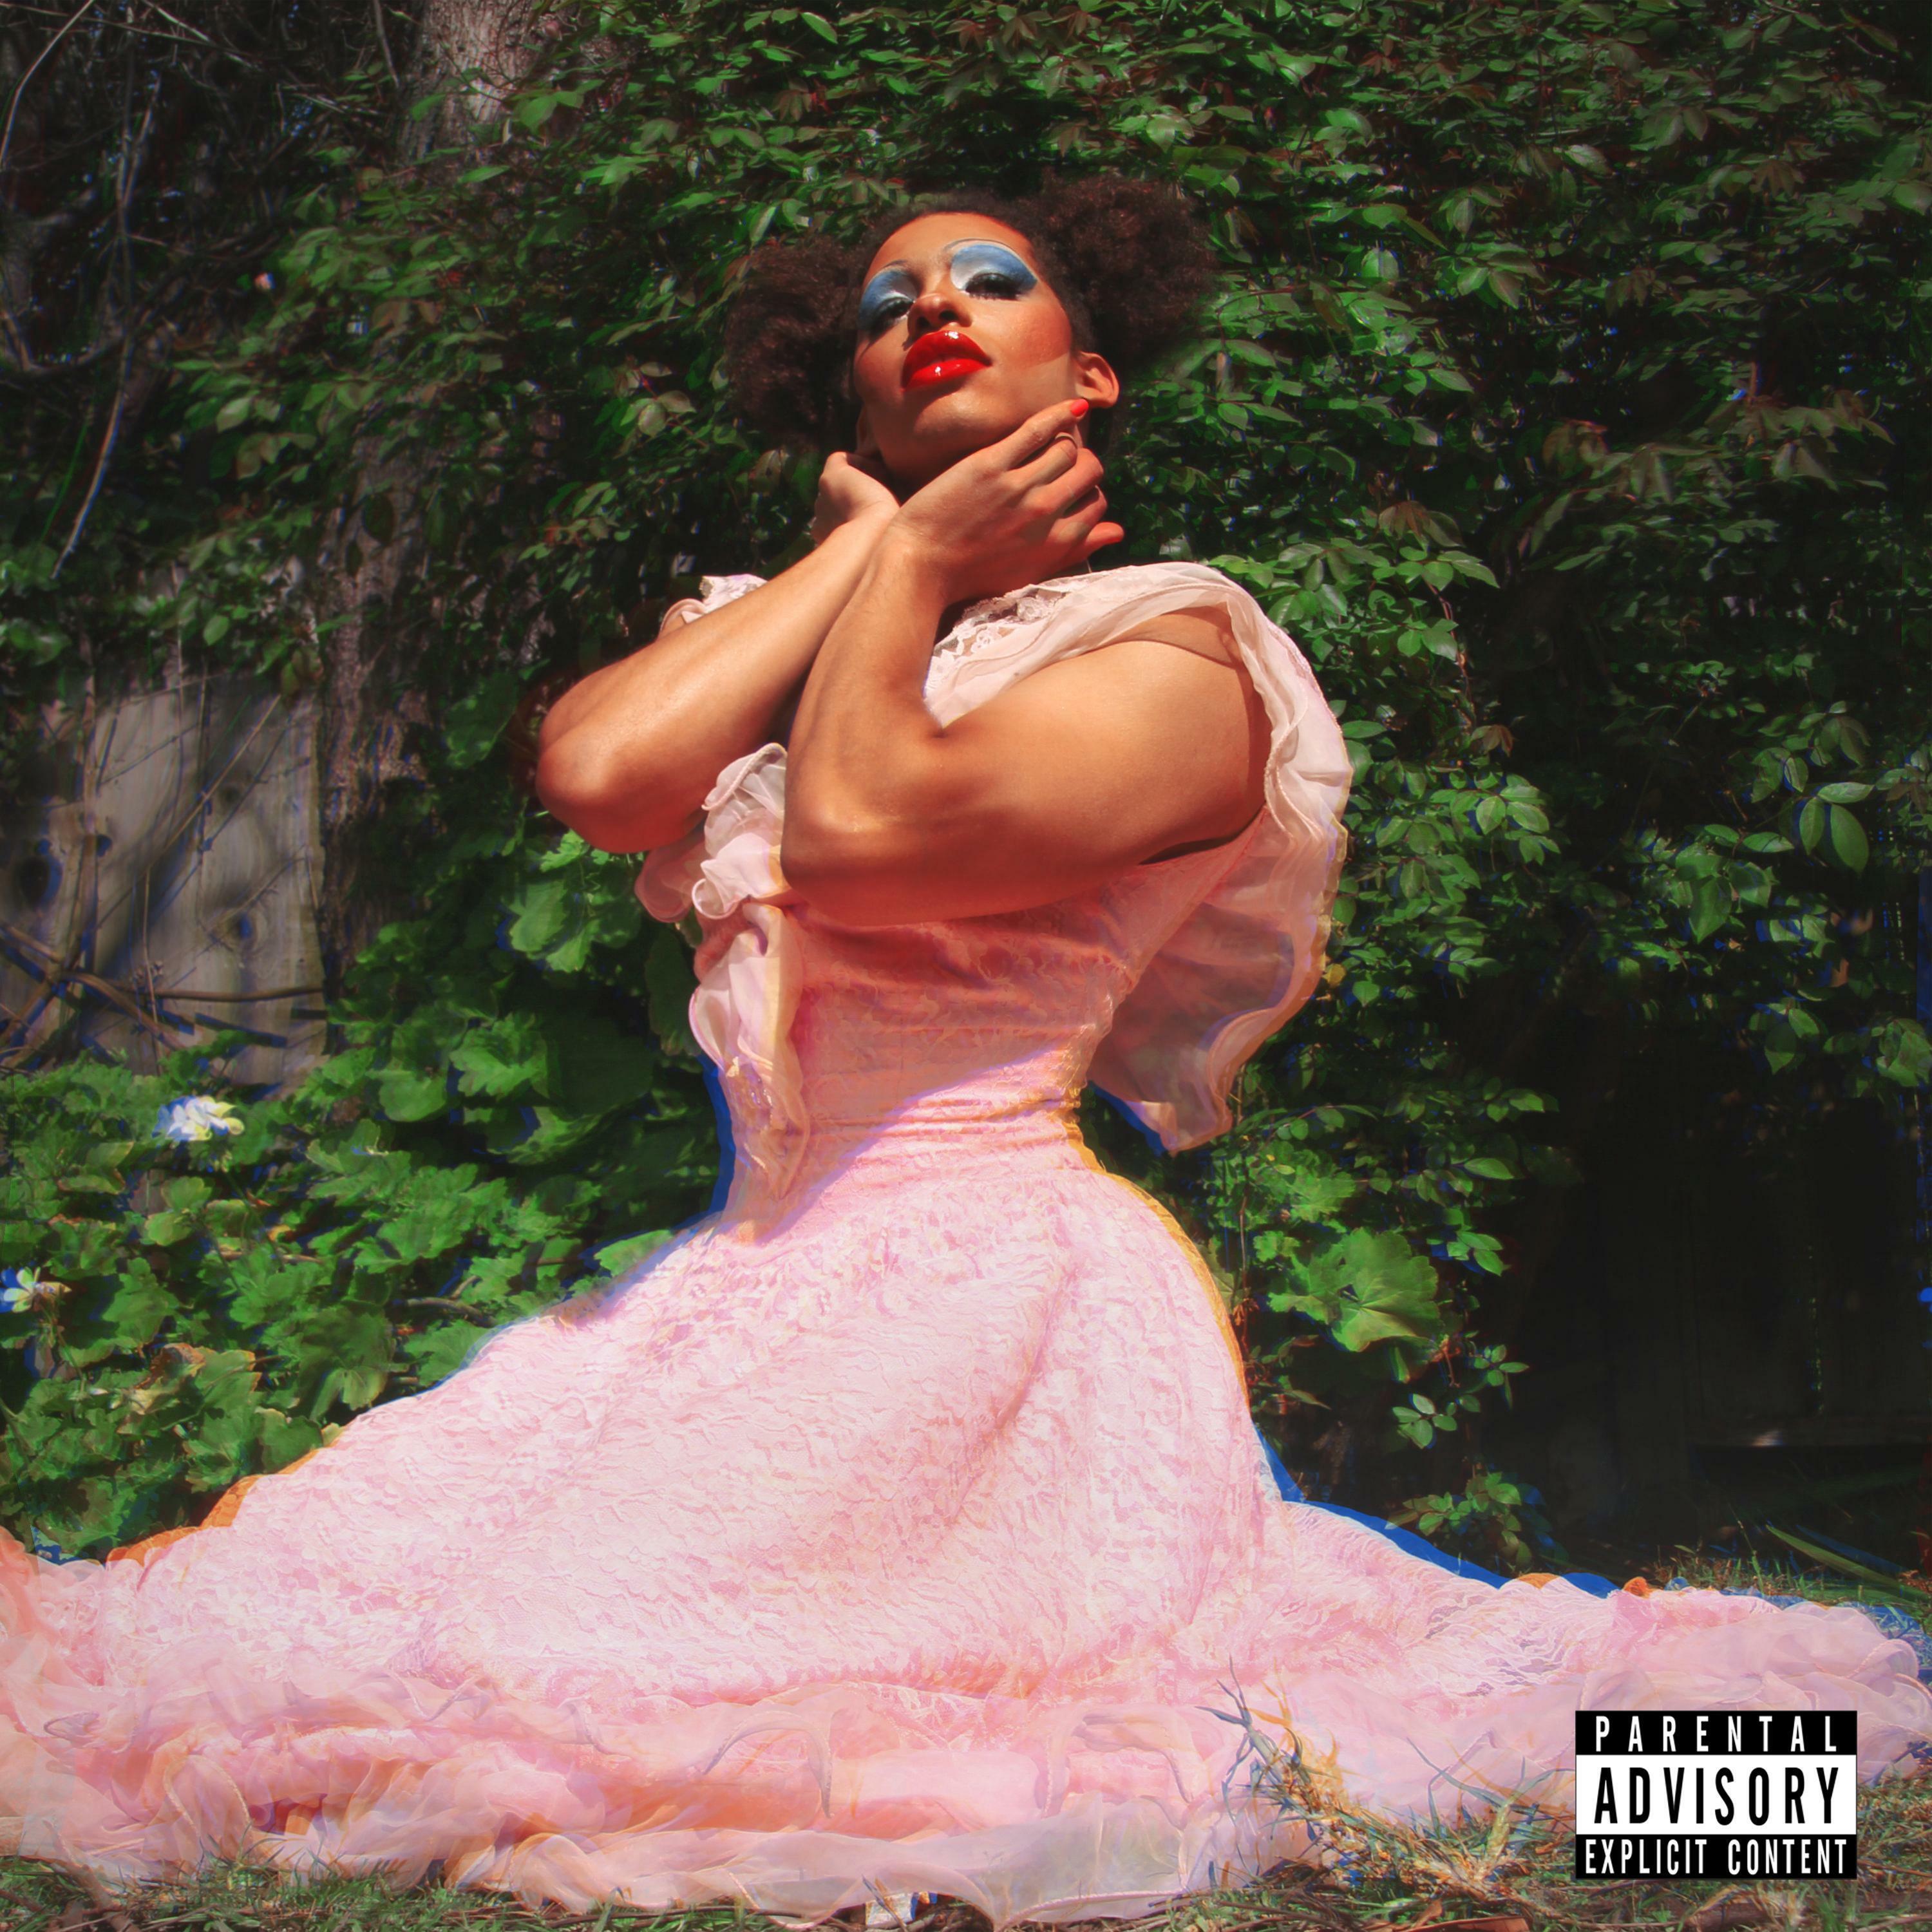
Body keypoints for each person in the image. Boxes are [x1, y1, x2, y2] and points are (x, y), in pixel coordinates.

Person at [1, 178, 1926, 1927]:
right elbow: (598, 770)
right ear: (852, 395)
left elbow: (863, 833)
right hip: (738, 1282)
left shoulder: (1178, 653)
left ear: (1086, 375)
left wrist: (909, 567)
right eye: (886, 300)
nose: (933, 306)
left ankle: (1767, 1800)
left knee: (1040, 1708)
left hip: (998, 1303)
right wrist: (881, 555)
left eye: (990, 280)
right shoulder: (793, 620)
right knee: (367, 1622)